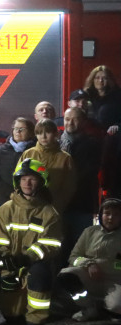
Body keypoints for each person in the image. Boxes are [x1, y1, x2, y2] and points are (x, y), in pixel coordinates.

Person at [0, 159, 63, 325]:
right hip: (11, 263)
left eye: (32, 179)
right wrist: (5, 257)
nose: (27, 183)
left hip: (35, 263)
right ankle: (12, 314)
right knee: (11, 314)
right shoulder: (6, 209)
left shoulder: (49, 213)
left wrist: (28, 257)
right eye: (23, 179)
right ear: (17, 182)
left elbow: (51, 244)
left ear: (41, 182)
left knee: (40, 275)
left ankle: (35, 322)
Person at [58, 198, 121, 321]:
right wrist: (89, 264)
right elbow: (74, 257)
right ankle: (88, 307)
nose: (110, 218)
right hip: (90, 277)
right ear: (100, 215)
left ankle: (107, 307)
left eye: (116, 214)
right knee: (65, 275)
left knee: (117, 308)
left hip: (116, 282)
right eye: (107, 213)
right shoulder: (89, 232)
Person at [60, 107, 102, 256]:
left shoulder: (93, 144)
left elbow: (88, 172)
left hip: (82, 204)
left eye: (75, 119)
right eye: (67, 119)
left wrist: (66, 183)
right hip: (60, 205)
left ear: (84, 122)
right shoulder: (56, 142)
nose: (70, 122)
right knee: (60, 248)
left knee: (81, 247)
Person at [21, 118, 74, 212]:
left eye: (48, 132)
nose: (43, 136)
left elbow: (69, 186)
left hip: (54, 207)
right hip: (29, 206)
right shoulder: (28, 154)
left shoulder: (65, 158)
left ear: (55, 134)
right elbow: (18, 179)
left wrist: (58, 205)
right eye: (39, 133)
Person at [0, 117, 35, 206]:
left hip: (29, 199)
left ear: (30, 132)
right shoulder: (1, 150)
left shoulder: (35, 151)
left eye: (22, 129)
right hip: (3, 199)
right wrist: (8, 192)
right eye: (16, 129)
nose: (18, 131)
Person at [83, 65, 121, 133]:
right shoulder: (86, 96)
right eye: (97, 78)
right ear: (92, 80)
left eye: (104, 78)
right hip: (90, 135)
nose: (100, 80)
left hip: (111, 135)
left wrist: (117, 126)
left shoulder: (118, 96)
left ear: (110, 80)